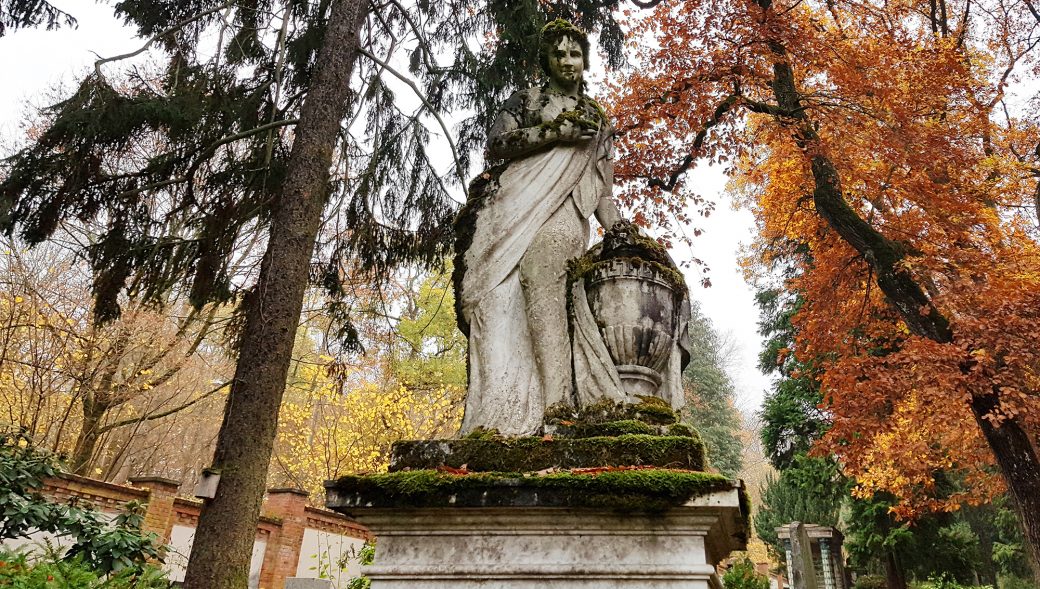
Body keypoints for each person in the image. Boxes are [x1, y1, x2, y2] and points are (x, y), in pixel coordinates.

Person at [454, 19, 623, 435]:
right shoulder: (526, 100)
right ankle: (507, 406)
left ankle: (558, 403)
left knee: (544, 270)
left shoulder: (597, 119)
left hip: (564, 209)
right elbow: (497, 144)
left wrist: (619, 231)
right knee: (496, 303)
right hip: (511, 210)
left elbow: (603, 192)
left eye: (575, 53)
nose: (568, 61)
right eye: (559, 54)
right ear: (546, 61)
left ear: (585, 60)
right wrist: (553, 133)